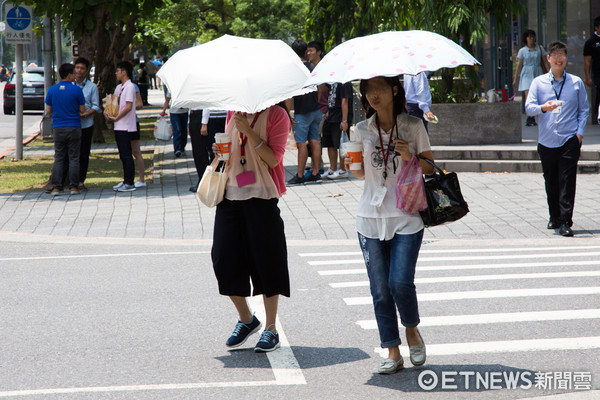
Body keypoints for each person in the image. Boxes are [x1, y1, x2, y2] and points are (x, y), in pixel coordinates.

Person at [344, 75, 433, 374]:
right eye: (368, 90)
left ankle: (411, 329)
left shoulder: (412, 125)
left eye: (380, 88)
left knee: (399, 282)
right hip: (369, 218)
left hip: (407, 214)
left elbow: (430, 166)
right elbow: (360, 176)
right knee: (380, 289)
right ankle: (392, 350)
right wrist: (351, 167)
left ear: (394, 89)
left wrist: (410, 156)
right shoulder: (360, 129)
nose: (373, 95)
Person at [210, 102, 291, 353]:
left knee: (268, 261)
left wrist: (250, 132)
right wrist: (218, 153)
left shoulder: (277, 115)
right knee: (223, 259)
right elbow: (232, 154)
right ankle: (247, 319)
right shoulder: (233, 111)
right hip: (230, 194)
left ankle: (270, 328)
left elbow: (273, 158)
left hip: (262, 197)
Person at [525, 41, 589, 237]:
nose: (559, 59)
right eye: (555, 55)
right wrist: (544, 107)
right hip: (547, 141)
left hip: (569, 139)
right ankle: (554, 215)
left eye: (563, 55)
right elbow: (529, 108)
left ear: (566, 58)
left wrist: (579, 134)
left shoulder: (576, 83)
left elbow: (584, 109)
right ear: (548, 59)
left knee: (567, 180)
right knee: (551, 181)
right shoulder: (538, 82)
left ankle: (565, 221)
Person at [45, 63, 87, 196]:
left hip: (58, 127)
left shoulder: (52, 90)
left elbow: (48, 110)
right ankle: (74, 187)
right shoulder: (77, 90)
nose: (75, 75)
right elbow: (82, 109)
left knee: (59, 157)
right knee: (74, 157)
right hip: (74, 126)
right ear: (69, 75)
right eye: (74, 73)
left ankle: (56, 187)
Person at [287, 39, 322, 185]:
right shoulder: (313, 67)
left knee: (301, 144)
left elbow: (289, 95)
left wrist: (288, 113)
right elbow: (320, 88)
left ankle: (300, 175)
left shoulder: (295, 70)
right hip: (315, 110)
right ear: (305, 51)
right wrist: (317, 102)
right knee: (314, 140)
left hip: (302, 112)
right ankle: (315, 172)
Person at [105, 61, 138, 192]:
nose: (116, 73)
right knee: (122, 155)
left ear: (124, 72)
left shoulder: (130, 87)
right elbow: (113, 102)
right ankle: (126, 180)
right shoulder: (120, 87)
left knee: (127, 154)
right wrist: (109, 112)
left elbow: (129, 107)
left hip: (126, 125)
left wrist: (117, 117)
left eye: (118, 71)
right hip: (118, 125)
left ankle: (130, 182)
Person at [70, 57, 100, 191]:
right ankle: (70, 181)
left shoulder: (92, 87)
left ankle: (81, 180)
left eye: (82, 68)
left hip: (86, 124)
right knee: (70, 153)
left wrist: (87, 114)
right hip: (71, 124)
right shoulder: (70, 85)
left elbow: (96, 106)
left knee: (84, 153)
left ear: (86, 71)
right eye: (77, 68)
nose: (79, 71)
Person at [513, 29, 549, 126]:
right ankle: (530, 116)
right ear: (526, 39)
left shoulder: (540, 48)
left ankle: (537, 114)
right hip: (526, 74)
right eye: (529, 37)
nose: (531, 39)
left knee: (538, 95)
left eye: (533, 36)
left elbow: (545, 61)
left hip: (537, 72)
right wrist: (515, 78)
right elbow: (519, 65)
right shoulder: (522, 51)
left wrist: (550, 73)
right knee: (528, 95)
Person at [188, 108, 226, 192]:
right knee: (199, 152)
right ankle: (205, 180)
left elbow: (207, 100)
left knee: (207, 151)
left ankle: (209, 181)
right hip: (196, 114)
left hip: (205, 114)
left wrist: (204, 122)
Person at [321, 81, 353, 179]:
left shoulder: (345, 83)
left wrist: (344, 120)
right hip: (331, 115)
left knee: (341, 144)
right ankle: (332, 169)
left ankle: (343, 170)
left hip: (340, 116)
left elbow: (345, 101)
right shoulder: (333, 81)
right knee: (330, 143)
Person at [161, 91, 188, 157]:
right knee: (177, 130)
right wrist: (163, 111)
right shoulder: (171, 89)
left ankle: (182, 147)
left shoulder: (185, 88)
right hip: (174, 113)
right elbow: (167, 100)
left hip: (184, 112)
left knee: (184, 131)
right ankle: (177, 149)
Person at [584, 16, 600, 125]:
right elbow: (587, 61)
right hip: (598, 73)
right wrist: (587, 77)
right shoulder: (591, 42)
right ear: (596, 27)